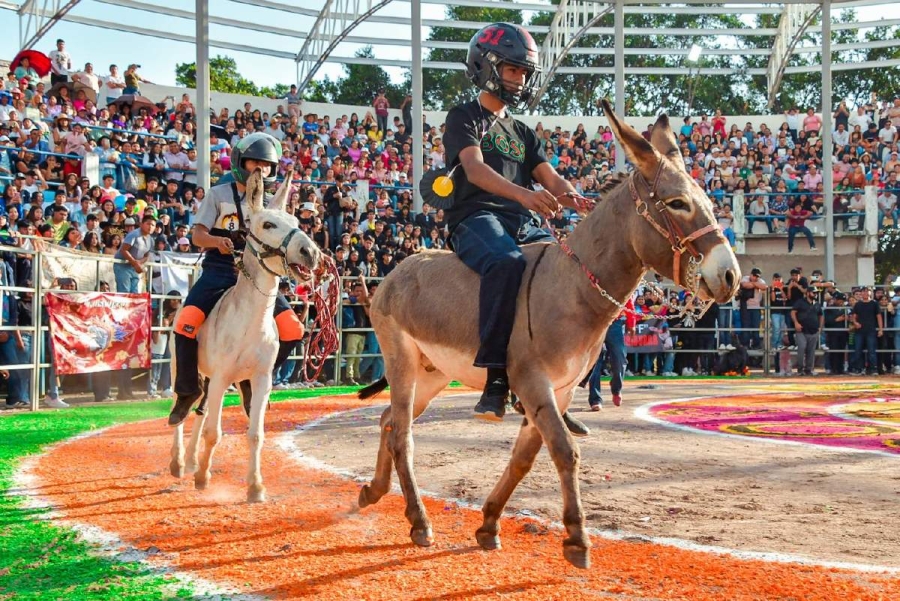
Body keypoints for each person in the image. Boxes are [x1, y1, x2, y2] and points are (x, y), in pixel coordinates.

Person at [442, 22, 588, 435]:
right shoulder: (464, 116)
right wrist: (524, 197)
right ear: (486, 67)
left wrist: (574, 198)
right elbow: (474, 168)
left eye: (524, 72)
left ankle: (556, 390)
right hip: (474, 217)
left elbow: (550, 177)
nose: (520, 79)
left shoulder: (523, 131)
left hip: (520, 220)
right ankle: (495, 379)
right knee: (506, 264)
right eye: (512, 70)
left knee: (565, 268)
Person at [167, 132, 305, 426]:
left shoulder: (271, 205)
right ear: (241, 162)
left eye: (267, 165)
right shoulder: (218, 194)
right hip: (220, 270)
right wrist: (217, 242)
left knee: (293, 329)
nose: (261, 170)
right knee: (186, 322)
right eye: (255, 162)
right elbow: (197, 235)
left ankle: (250, 380)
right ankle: (188, 389)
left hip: (258, 277)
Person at [114, 213, 154, 293]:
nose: (150, 227)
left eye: (153, 225)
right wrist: (135, 263)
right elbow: (123, 250)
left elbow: (146, 256)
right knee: (124, 292)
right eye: (148, 224)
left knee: (134, 293)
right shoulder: (134, 234)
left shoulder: (151, 240)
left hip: (134, 267)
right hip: (122, 265)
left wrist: (139, 262)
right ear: (141, 224)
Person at [790, 286, 823, 376]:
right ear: (808, 293)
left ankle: (809, 369)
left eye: (816, 293)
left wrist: (820, 327)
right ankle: (800, 369)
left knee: (811, 351)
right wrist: (796, 323)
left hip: (813, 330)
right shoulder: (800, 302)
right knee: (801, 348)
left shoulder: (817, 304)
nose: (815, 294)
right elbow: (793, 312)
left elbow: (821, 315)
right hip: (802, 330)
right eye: (813, 292)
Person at [850, 287, 881, 375]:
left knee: (871, 350)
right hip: (859, 331)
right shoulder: (857, 304)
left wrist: (880, 329)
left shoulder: (874, 304)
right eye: (863, 291)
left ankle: (873, 369)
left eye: (867, 291)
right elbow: (854, 317)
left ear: (870, 293)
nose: (865, 293)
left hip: (871, 330)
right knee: (858, 350)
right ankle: (859, 368)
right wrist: (855, 323)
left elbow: (879, 317)